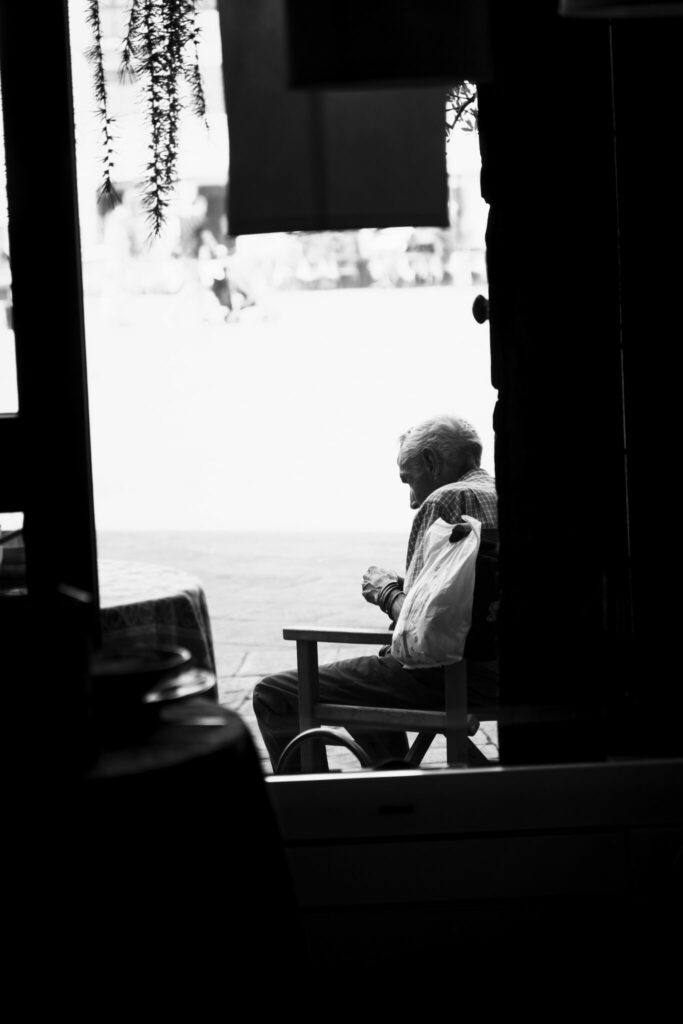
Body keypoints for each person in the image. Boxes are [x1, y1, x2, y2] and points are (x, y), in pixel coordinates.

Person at [253, 414, 499, 773]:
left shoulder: (447, 500)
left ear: (431, 462)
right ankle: (394, 778)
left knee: (274, 694)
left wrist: (384, 591)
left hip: (452, 676)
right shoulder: (510, 495)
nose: (413, 500)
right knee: (364, 686)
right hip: (510, 674)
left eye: (409, 480)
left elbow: (419, 630)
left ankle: (314, 808)